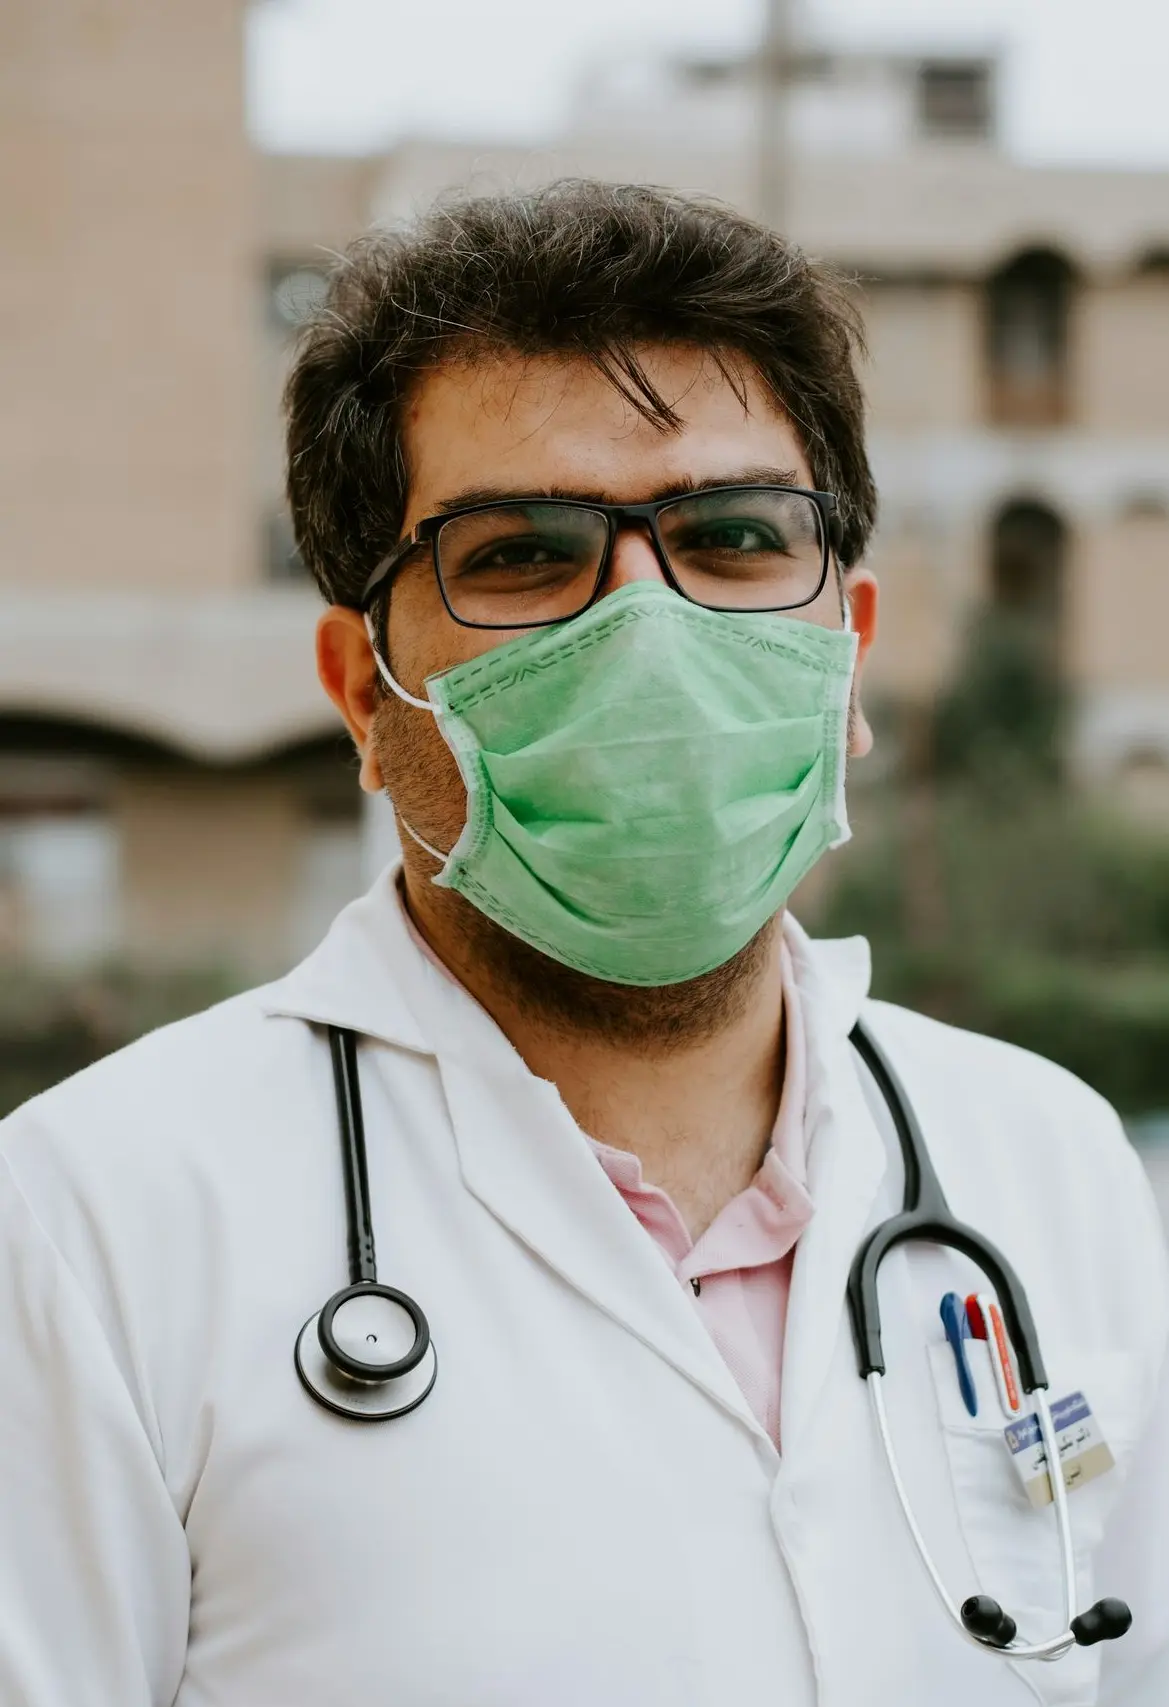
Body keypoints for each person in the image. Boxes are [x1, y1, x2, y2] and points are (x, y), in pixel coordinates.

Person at [1, 181, 1166, 1707]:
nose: (649, 624)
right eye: (520, 554)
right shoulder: (91, 1224)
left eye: (738, 535)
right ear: (362, 690)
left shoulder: (1047, 1162)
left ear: (848, 648)